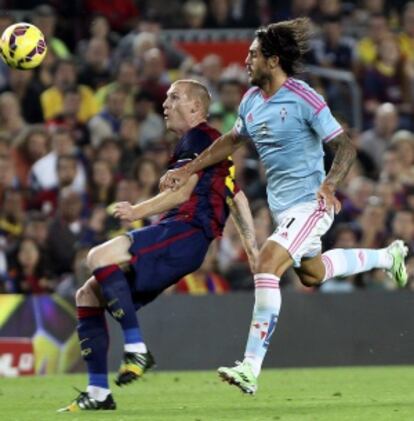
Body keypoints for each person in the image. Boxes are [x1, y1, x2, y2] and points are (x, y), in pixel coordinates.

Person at [160, 18, 409, 395]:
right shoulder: (250, 102)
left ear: (273, 60)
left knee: (266, 262)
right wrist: (189, 168)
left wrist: (330, 183)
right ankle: (387, 257)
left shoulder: (304, 97)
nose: (246, 61)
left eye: (253, 55)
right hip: (284, 209)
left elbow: (345, 146)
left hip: (312, 203)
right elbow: (230, 141)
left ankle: (250, 367)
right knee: (311, 273)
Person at [58, 79, 258, 412]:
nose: (165, 104)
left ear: (195, 107)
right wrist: (253, 248)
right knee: (87, 295)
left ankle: (136, 347)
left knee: (98, 255)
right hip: (184, 239)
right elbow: (235, 195)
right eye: (165, 97)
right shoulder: (205, 147)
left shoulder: (202, 138)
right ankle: (98, 393)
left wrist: (135, 211)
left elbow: (181, 193)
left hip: (186, 231)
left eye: (174, 97)